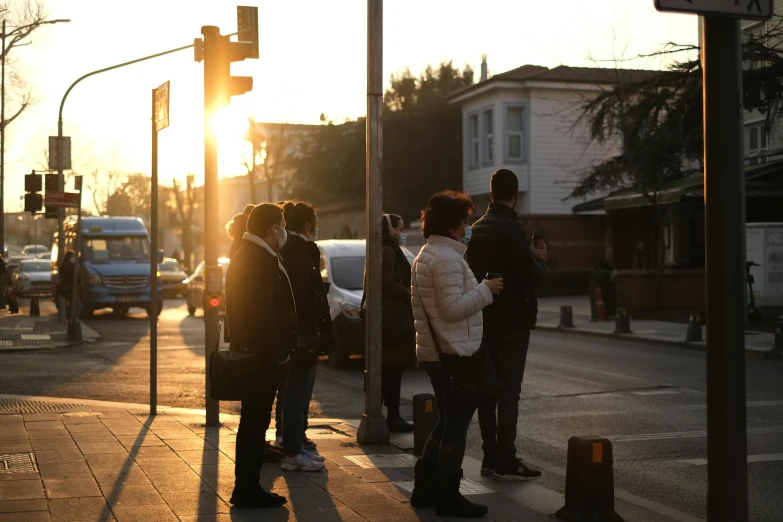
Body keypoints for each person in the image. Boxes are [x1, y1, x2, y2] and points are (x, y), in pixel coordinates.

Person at [409, 191, 503, 518]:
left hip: (438, 353)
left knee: (446, 422)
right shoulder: (446, 259)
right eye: (464, 221)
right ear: (452, 226)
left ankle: (425, 489)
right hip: (454, 352)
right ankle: (448, 496)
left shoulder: (428, 253)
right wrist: (485, 290)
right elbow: (451, 309)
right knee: (456, 427)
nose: (468, 227)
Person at [466, 169, 547, 481]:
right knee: (509, 391)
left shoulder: (477, 228)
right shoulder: (513, 229)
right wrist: (540, 259)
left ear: (490, 193)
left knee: (488, 389)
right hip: (513, 320)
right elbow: (528, 275)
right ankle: (506, 458)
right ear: (515, 196)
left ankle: (488, 456)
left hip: (484, 317)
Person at [225, 203, 295, 509]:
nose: (284, 230)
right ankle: (247, 489)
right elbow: (263, 312)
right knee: (254, 423)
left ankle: (247, 487)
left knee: (252, 423)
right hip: (261, 357)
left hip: (256, 353)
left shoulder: (249, 254)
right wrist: (280, 354)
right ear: (270, 228)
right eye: (281, 224)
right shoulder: (257, 258)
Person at [276, 201, 334, 471]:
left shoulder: (287, 250)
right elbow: (305, 297)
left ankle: (294, 445)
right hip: (304, 332)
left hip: (293, 332)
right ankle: (294, 451)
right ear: (307, 225)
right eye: (315, 223)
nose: (317, 228)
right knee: (298, 392)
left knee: (293, 391)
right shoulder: (302, 252)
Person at [379, 213, 416, 432]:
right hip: (393, 319)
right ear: (389, 229)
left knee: (392, 369)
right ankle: (392, 416)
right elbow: (387, 283)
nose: (401, 233)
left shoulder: (389, 250)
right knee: (392, 369)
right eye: (398, 229)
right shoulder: (386, 251)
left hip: (393, 318)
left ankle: (392, 414)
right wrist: (409, 292)